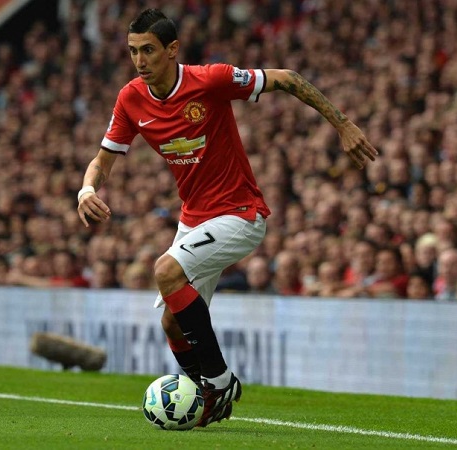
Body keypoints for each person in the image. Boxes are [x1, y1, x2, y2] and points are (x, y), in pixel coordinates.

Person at [76, 8, 377, 427]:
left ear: (172, 49)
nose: (140, 60)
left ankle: (219, 383)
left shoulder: (210, 80)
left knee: (165, 271)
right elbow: (102, 160)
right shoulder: (131, 98)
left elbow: (288, 78)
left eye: (148, 50)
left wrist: (343, 125)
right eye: (133, 51)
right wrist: (87, 189)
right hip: (194, 219)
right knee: (171, 323)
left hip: (240, 214)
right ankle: (207, 399)